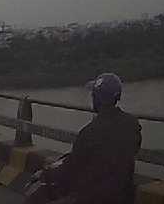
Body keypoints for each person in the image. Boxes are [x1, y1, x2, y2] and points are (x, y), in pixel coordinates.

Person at [29, 73, 141, 204]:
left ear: (97, 98)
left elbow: (71, 167)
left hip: (91, 198)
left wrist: (45, 174)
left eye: (93, 94)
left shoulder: (89, 132)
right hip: (123, 195)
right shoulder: (132, 124)